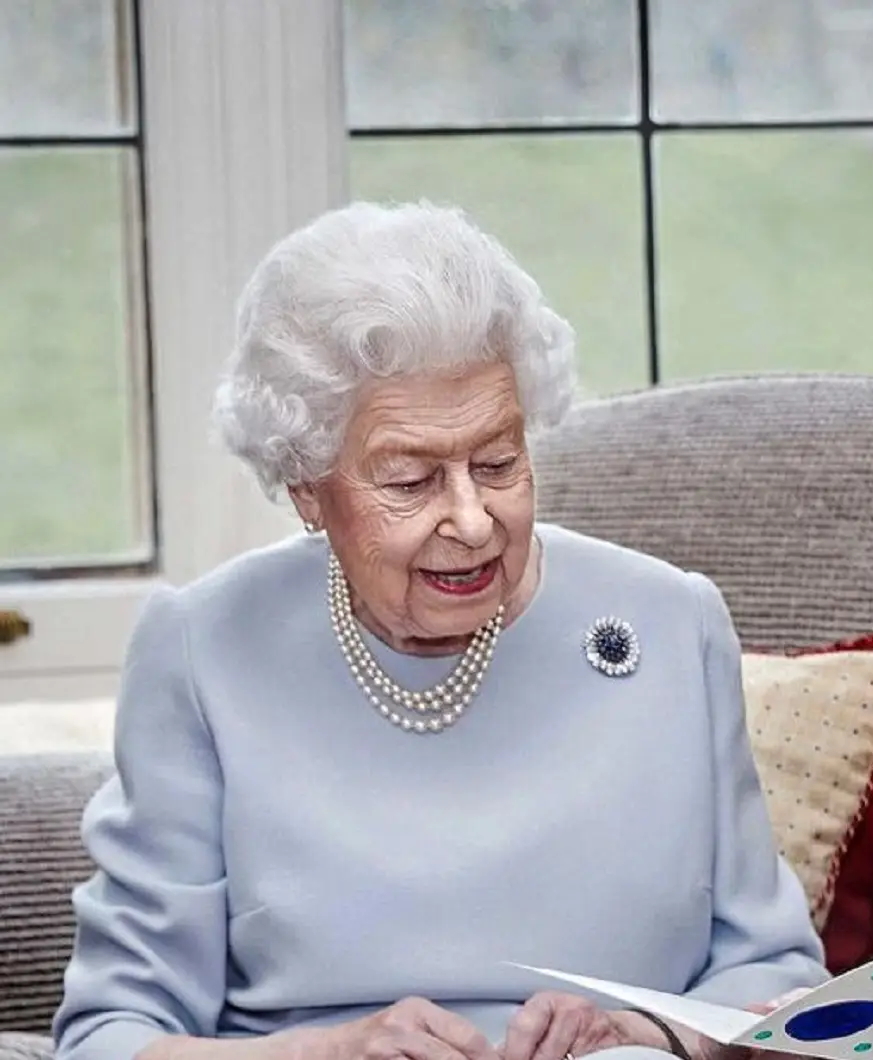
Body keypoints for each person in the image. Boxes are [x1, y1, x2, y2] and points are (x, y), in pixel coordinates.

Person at [53, 201, 828, 1060]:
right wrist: (332, 1052)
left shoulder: (671, 621)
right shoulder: (203, 648)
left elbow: (773, 970)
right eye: (411, 480)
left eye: (498, 462)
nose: (472, 519)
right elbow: (108, 1038)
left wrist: (637, 1031)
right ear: (307, 488)